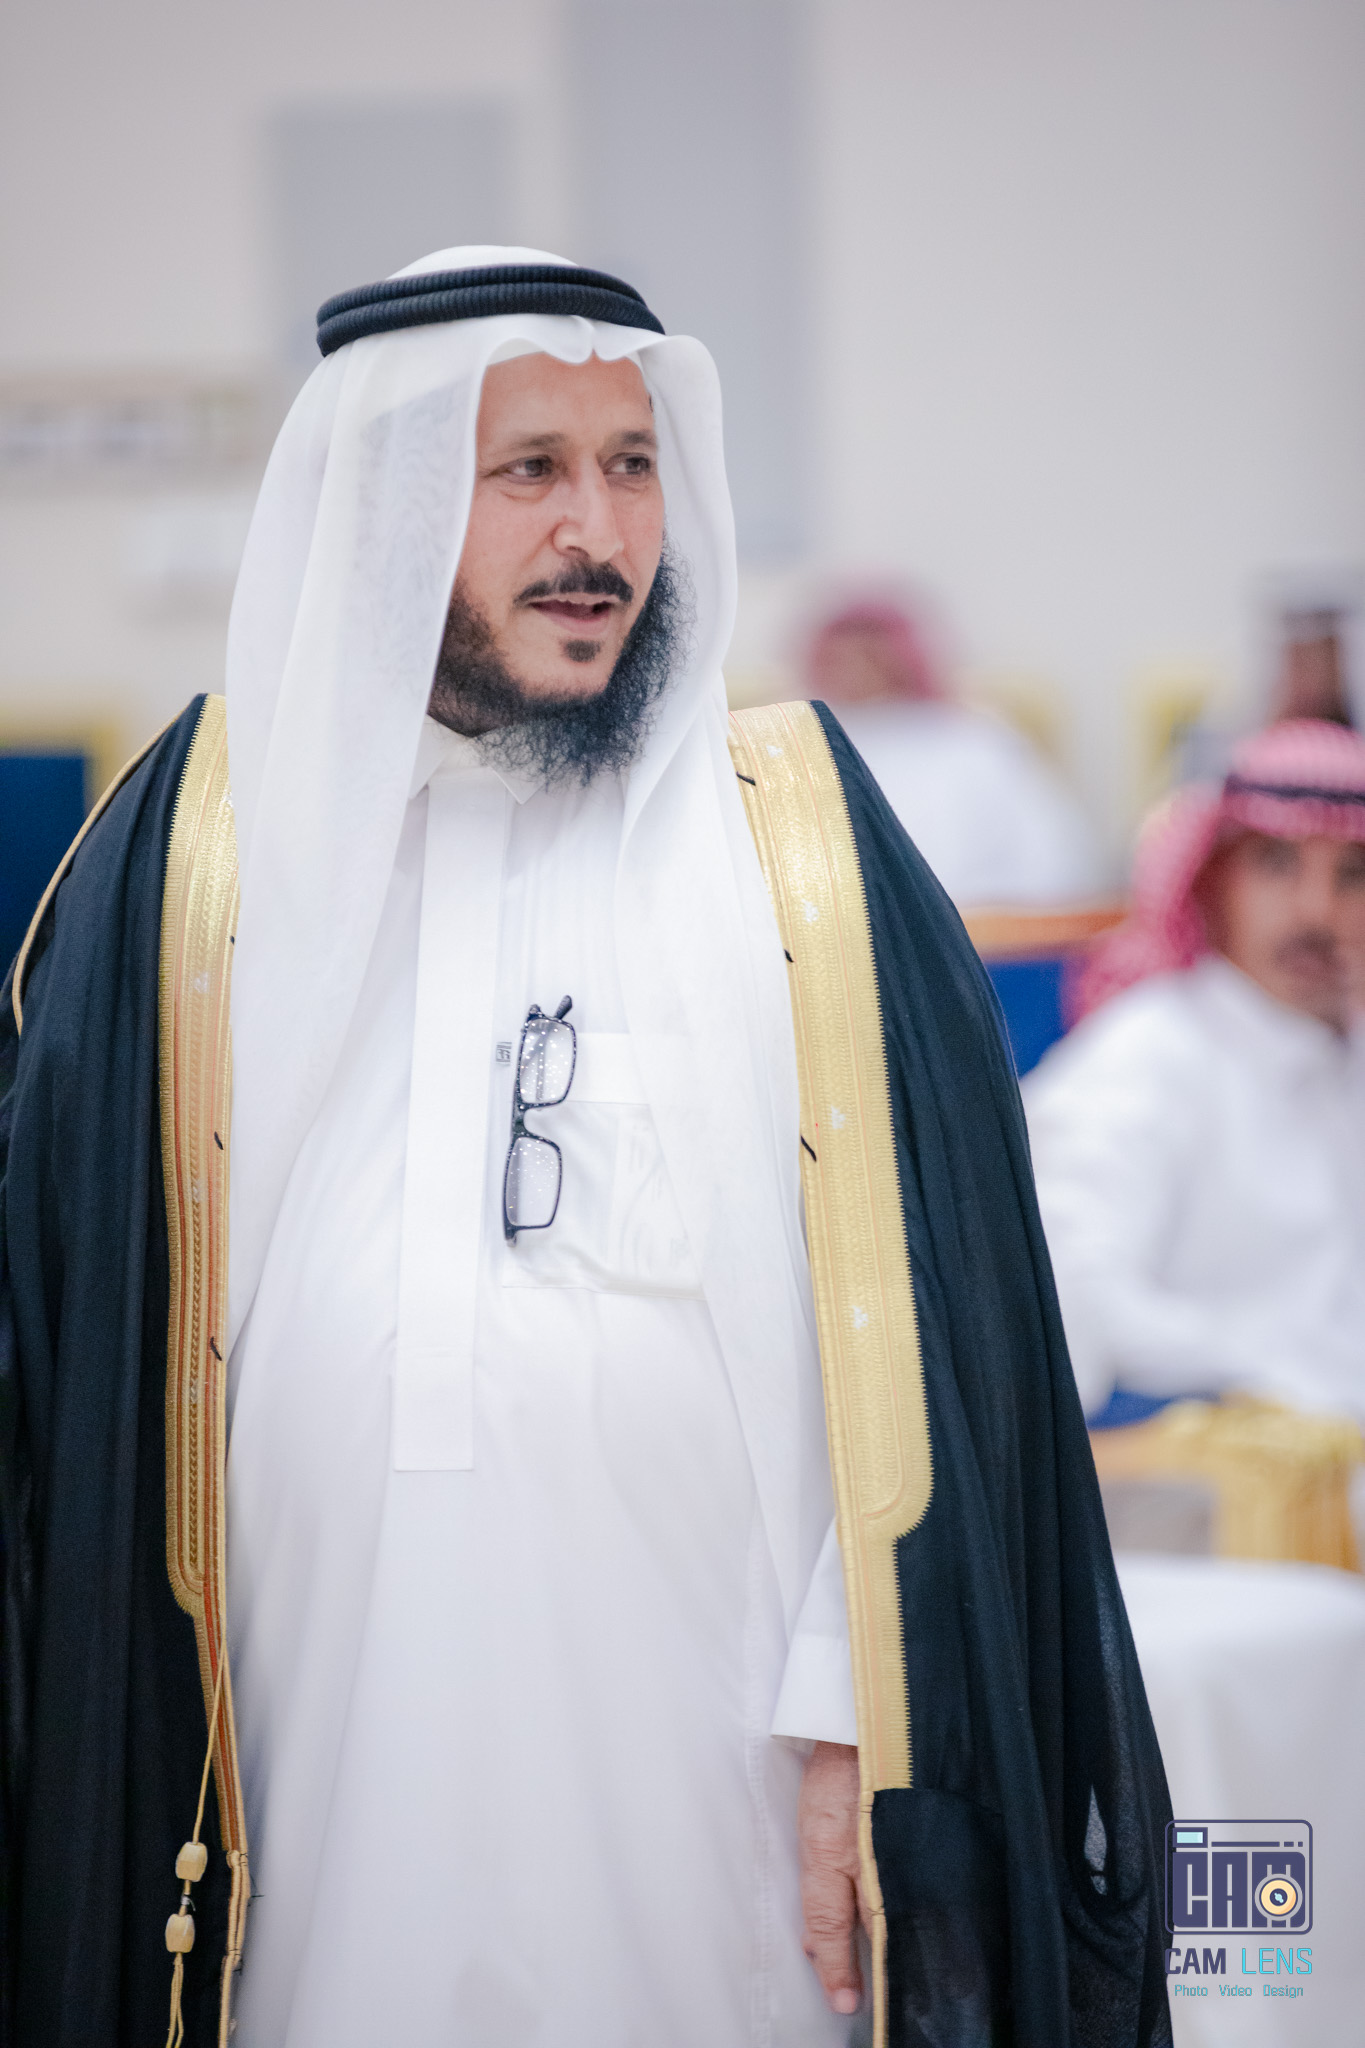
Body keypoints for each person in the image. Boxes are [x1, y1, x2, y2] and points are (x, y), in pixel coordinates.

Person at [0, 248, 1171, 2048]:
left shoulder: (794, 846)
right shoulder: (197, 858)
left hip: (713, 1784)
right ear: (387, 501)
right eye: (528, 468)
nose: (597, 530)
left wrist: (866, 1707)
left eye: (631, 464)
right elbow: (67, 1345)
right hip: (293, 1761)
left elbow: (948, 1331)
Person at [1024, 718, 1365, 1425]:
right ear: (1212, 879)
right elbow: (1076, 1304)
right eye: (1276, 863)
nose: (1317, 910)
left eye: (1352, 874)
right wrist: (1300, 1374)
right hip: (1213, 1477)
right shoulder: (1146, 1058)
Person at [805, 596, 1102, 905]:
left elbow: (1058, 860)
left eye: (869, 656)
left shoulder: (974, 740)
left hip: (984, 920)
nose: (855, 670)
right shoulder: (806, 746)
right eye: (839, 658)